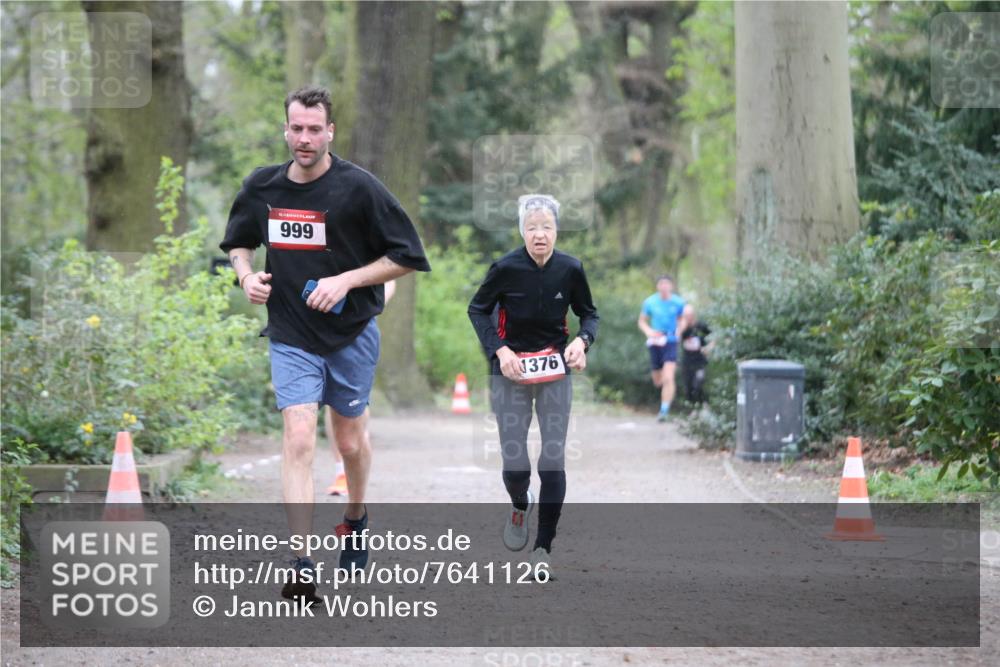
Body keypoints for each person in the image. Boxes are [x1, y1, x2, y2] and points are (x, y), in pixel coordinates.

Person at [220, 86, 431, 602]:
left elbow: (407, 255)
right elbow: (239, 243)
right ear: (285, 130)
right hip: (291, 332)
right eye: (296, 128)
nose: (305, 138)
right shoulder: (263, 186)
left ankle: (356, 515)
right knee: (296, 437)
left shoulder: (360, 188)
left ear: (330, 131)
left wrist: (349, 280)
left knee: (350, 443)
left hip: (351, 332)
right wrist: (246, 275)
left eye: (315, 129)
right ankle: (300, 560)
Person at [468, 194, 599, 578]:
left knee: (552, 458)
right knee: (515, 462)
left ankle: (542, 549)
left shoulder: (570, 269)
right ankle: (520, 501)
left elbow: (589, 314)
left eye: (546, 227)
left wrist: (582, 341)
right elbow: (477, 310)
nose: (539, 234)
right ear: (522, 231)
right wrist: (499, 351)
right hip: (511, 372)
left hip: (555, 370)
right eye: (531, 227)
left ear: (557, 230)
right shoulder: (505, 268)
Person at [325, 279, 395, 496]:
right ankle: (341, 471)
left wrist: (372, 306)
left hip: (359, 326)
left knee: (356, 403)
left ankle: (356, 452)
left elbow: (390, 275)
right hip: (317, 324)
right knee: (331, 402)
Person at [638, 275, 687, 422]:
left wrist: (680, 329)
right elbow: (642, 321)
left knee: (668, 377)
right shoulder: (650, 302)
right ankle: (663, 397)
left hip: (671, 341)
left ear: (671, 286)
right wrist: (649, 332)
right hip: (655, 341)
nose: (664, 287)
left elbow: (682, 318)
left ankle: (664, 410)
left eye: (667, 284)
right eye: (661, 284)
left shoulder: (678, 302)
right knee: (658, 380)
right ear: (658, 286)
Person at [680, 308, 712, 405]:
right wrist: (682, 326)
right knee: (688, 387)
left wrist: (709, 347)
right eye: (686, 316)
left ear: (693, 315)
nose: (688, 318)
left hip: (700, 361)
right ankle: (693, 409)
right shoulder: (682, 328)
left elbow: (715, 335)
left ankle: (703, 405)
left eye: (689, 315)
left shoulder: (701, 326)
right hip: (687, 361)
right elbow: (675, 338)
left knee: (698, 383)